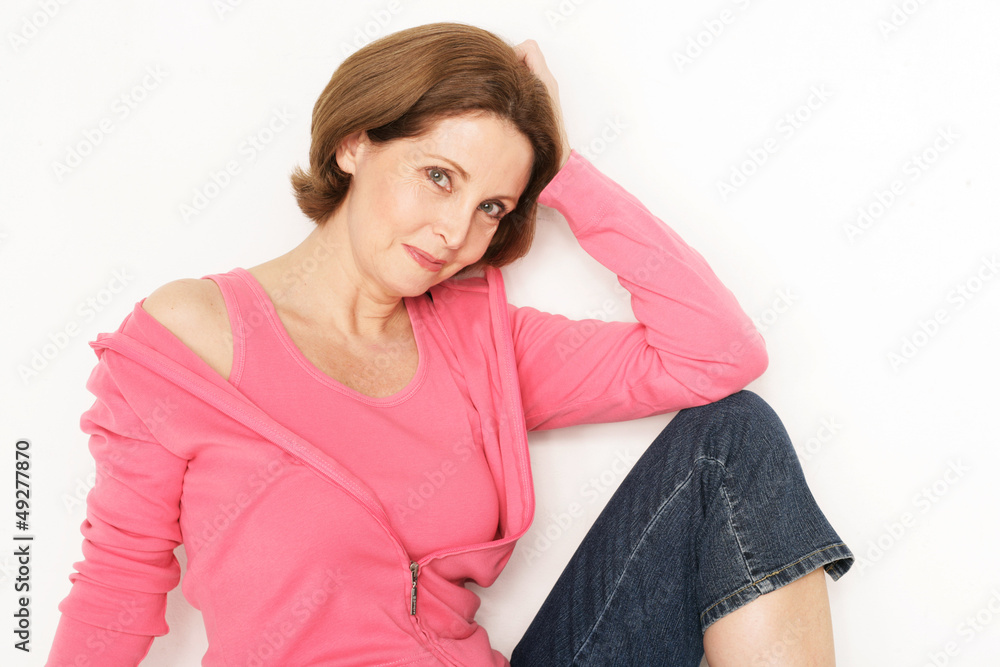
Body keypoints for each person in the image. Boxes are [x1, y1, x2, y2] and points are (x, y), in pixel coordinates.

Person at [47, 21, 853, 667]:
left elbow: (717, 355)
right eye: (439, 176)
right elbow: (118, 582)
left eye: (492, 206)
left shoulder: (482, 346)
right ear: (355, 143)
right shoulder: (191, 337)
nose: (455, 232)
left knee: (733, 438)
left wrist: (563, 170)